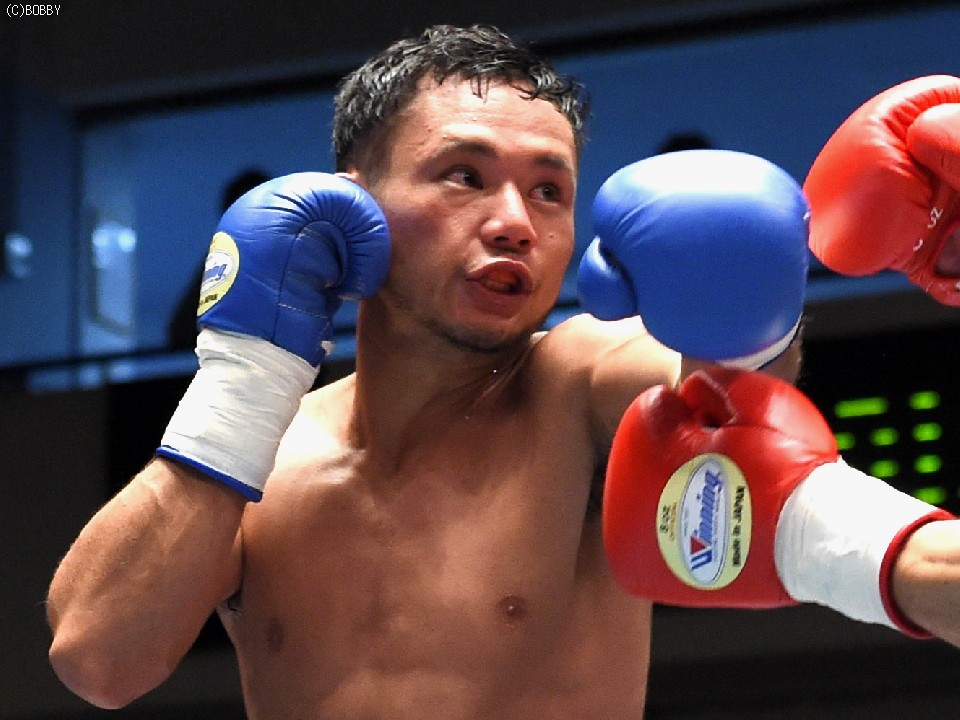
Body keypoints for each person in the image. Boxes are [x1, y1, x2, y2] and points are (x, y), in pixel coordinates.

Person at [44, 26, 960, 719]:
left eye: (549, 189)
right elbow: (98, 659)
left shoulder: (579, 386)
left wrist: (753, 317)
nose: (516, 220)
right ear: (351, 207)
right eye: (464, 176)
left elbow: (728, 402)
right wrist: (244, 379)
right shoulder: (260, 458)